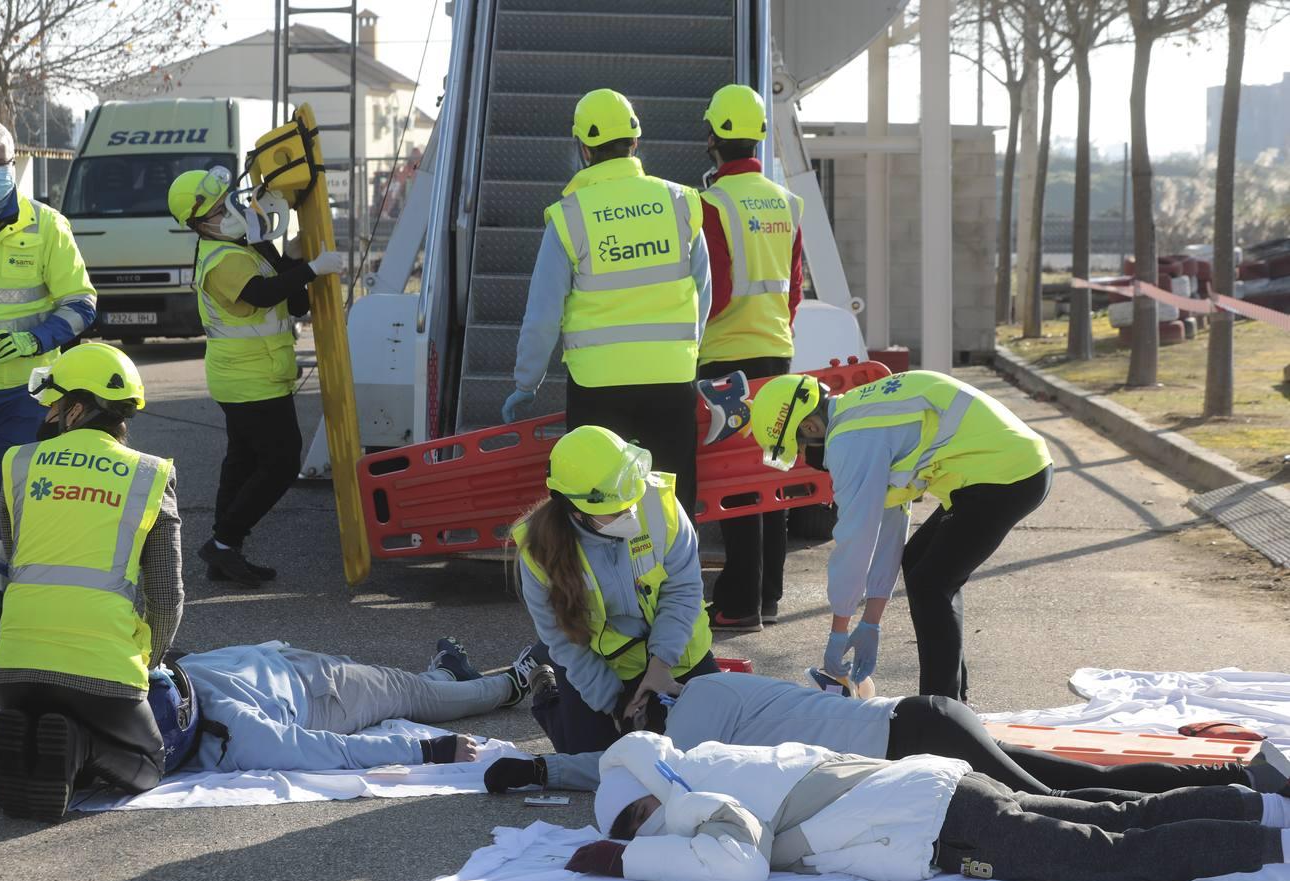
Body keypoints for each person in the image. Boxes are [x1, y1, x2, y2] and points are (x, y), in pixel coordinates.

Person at [564, 731, 1290, 881]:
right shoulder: (702, 760)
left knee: (1111, 855)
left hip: (942, 823)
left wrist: (625, 859)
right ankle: (1263, 806)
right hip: (944, 792)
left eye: (636, 820)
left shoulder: (701, 798)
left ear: (649, 803)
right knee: (1123, 818)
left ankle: (1278, 846)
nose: (643, 829)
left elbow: (738, 864)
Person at [484, 670, 1290, 800]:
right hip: (924, 719)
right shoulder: (723, 694)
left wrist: (544, 775)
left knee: (1058, 799)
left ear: (641, 711)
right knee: (1074, 780)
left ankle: (1233, 804)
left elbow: (654, 772)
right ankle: (1244, 778)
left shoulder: (690, 722)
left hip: (917, 737)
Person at [748, 370, 1053, 701]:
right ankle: (950, 700)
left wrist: (839, 633)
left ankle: (941, 711)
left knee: (932, 582)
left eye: (803, 446)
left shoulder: (849, 441)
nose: (808, 457)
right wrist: (871, 622)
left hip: (1005, 475)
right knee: (920, 561)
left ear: (810, 427)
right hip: (1009, 466)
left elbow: (856, 538)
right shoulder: (861, 414)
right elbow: (891, 523)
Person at [0, 343, 182, 821]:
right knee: (147, 764)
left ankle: (30, 735)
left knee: (46, 709)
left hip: (14, 667)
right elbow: (165, 596)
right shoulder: (149, 476)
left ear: (76, 408)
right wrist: (147, 663)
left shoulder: (19, 463)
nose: (50, 415)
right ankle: (79, 744)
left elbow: (17, 557)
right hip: (101, 671)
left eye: (54, 405)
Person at [502, 88, 711, 515]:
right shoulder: (679, 203)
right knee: (668, 505)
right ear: (635, 142)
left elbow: (543, 314)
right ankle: (671, 581)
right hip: (671, 381)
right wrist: (686, 354)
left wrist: (527, 382)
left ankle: (604, 582)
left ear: (583, 149)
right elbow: (704, 292)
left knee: (596, 503)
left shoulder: (569, 215)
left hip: (598, 388)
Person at [0, 118, 97, 672]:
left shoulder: (46, 225)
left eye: (1, 164)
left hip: (24, 395)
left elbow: (81, 303)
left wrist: (36, 337)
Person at [166, 166, 345, 586]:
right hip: (249, 380)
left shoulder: (245, 247)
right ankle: (224, 542)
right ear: (202, 221)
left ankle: (224, 555)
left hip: (256, 376)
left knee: (243, 463)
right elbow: (262, 294)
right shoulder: (221, 260)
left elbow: (294, 300)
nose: (233, 207)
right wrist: (313, 269)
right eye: (221, 205)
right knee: (281, 464)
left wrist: (296, 258)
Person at [513, 425, 718, 755]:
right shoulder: (537, 553)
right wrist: (614, 701)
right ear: (576, 509)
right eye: (617, 508)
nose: (631, 511)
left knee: (705, 748)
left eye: (632, 499)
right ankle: (546, 684)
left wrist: (660, 668)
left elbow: (684, 590)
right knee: (593, 757)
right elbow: (563, 639)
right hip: (602, 667)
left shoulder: (661, 504)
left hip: (676, 656)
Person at [696, 85, 803, 632]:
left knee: (736, 483)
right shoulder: (785, 201)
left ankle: (737, 602)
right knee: (772, 473)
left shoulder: (713, 203)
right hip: (777, 353)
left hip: (725, 359)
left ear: (713, 138)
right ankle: (767, 595)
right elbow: (795, 289)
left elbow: (714, 289)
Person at [171, 637, 544, 773]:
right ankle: (510, 685)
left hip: (283, 666)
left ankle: (448, 673)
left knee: (392, 682)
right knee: (409, 692)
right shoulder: (237, 734)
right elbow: (332, 750)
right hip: (320, 691)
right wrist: (427, 750)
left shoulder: (157, 687)